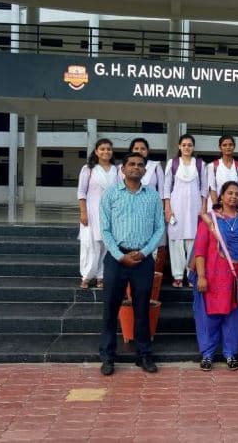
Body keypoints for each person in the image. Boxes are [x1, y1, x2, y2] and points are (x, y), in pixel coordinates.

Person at [98, 153, 165, 376]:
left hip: (143, 260)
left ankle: (143, 355)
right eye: (131, 164)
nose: (136, 167)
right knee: (110, 309)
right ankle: (108, 357)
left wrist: (144, 253)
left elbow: (159, 228)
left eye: (140, 165)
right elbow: (105, 229)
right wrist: (120, 255)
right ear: (123, 169)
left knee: (142, 309)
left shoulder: (152, 196)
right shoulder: (110, 194)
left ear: (145, 170)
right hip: (116, 259)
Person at [194, 181, 238, 372]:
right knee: (209, 316)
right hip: (213, 275)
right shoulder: (210, 220)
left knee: (234, 316)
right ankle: (207, 355)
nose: (233, 197)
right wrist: (201, 276)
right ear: (221, 196)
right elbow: (200, 250)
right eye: (229, 193)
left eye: (237, 194)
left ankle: (231, 354)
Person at [163, 134, 208, 288]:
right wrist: (167, 208)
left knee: (193, 239)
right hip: (176, 206)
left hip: (195, 206)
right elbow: (166, 187)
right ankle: (177, 276)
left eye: (189, 145)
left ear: (193, 147)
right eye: (184, 145)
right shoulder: (173, 163)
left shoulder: (200, 164)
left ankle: (191, 275)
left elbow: (204, 188)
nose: (187, 147)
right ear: (179, 146)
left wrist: (203, 207)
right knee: (176, 239)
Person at [77, 138, 119, 289]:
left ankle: (101, 276)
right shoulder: (88, 169)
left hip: (111, 212)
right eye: (102, 149)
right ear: (96, 151)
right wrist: (83, 212)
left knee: (106, 245)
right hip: (92, 212)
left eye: (108, 149)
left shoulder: (117, 170)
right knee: (91, 245)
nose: (106, 151)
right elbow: (81, 192)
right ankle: (87, 276)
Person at [207, 135, 238, 211]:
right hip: (216, 207)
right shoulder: (213, 166)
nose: (228, 147)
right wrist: (217, 207)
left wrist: (237, 207)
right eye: (224, 145)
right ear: (220, 147)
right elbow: (212, 188)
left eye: (230, 145)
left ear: (234, 146)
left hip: (233, 207)